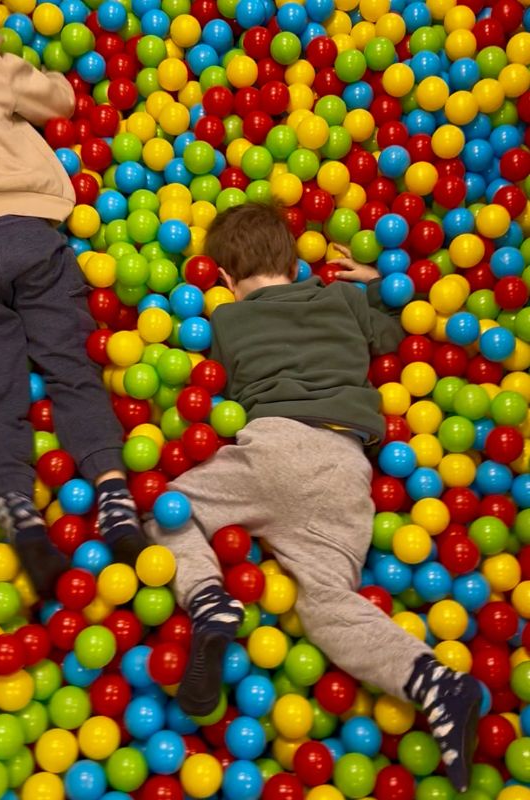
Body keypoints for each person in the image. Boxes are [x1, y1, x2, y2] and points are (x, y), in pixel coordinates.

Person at [145, 202, 481, 792]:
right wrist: (374, 285)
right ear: (297, 262)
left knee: (169, 509)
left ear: (225, 280)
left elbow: (217, 385)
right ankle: (434, 682)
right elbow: (394, 331)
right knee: (327, 603)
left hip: (273, 449)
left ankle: (208, 601)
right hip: (346, 467)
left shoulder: (226, 322)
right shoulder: (342, 300)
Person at [0, 4, 147, 599]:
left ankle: (17, 511)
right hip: (28, 230)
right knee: (71, 365)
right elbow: (61, 102)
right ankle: (112, 492)